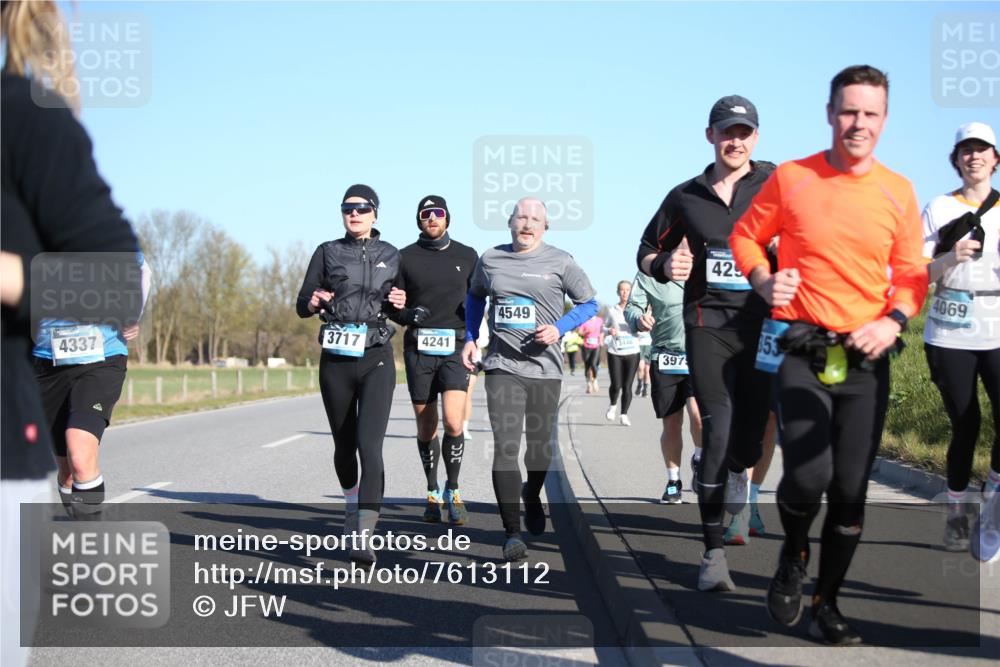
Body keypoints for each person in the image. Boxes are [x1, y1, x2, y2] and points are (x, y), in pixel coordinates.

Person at [730, 65, 928, 644]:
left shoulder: (898, 190)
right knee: (808, 473)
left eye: (869, 113)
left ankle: (828, 601)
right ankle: (794, 553)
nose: (858, 123)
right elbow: (745, 235)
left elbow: (913, 273)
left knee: (849, 492)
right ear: (829, 113)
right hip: (803, 345)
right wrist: (765, 282)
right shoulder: (793, 178)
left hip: (866, 354)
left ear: (884, 120)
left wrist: (893, 320)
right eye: (848, 111)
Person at [2, 2, 142, 664]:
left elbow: (117, 285)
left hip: (80, 360)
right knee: (66, 466)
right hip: (37, 361)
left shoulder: (24, 118)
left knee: (80, 457)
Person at [636, 94, 775, 592]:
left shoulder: (776, 186)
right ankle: (713, 553)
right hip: (706, 323)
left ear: (755, 138)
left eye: (744, 132)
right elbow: (647, 248)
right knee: (715, 430)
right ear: (710, 136)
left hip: (762, 327)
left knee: (750, 434)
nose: (734, 140)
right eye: (726, 131)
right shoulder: (686, 196)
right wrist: (664, 265)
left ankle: (732, 470)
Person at [462, 196, 597, 561]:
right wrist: (471, 338)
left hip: (545, 370)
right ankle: (511, 534)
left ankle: (532, 492)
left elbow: (589, 304)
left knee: (539, 450)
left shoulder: (561, 261)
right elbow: (474, 298)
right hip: (502, 368)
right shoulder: (490, 259)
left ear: (545, 226)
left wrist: (559, 328)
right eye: (521, 216)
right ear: (509, 222)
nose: (527, 223)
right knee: (506, 446)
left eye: (535, 218)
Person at [296, 184, 407, 567]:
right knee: (344, 445)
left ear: (375, 213)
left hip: (376, 356)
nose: (354, 214)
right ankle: (350, 503)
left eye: (361, 208)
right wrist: (312, 301)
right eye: (347, 209)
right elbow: (301, 304)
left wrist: (403, 305)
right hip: (337, 360)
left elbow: (403, 310)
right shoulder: (328, 252)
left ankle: (364, 533)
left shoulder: (391, 255)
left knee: (369, 446)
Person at [920, 121, 999, 562]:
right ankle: (956, 509)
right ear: (956, 159)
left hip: (997, 324)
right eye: (966, 150)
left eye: (982, 149)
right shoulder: (938, 207)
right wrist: (950, 256)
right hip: (950, 327)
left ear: (995, 158)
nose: (974, 157)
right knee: (966, 422)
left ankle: (994, 498)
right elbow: (915, 273)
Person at [32, 253, 151, 518]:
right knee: (66, 472)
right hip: (45, 364)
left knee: (80, 453)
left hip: (102, 358)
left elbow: (143, 269)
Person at [397, 195, 479, 524]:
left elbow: (479, 301)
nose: (432, 218)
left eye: (438, 213)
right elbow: (394, 307)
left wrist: (474, 337)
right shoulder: (402, 257)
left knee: (454, 422)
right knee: (427, 425)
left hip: (456, 347)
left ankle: (453, 490)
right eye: (425, 214)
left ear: (447, 218)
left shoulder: (467, 255)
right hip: (418, 348)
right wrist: (407, 315)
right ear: (419, 220)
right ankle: (431, 490)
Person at [625, 271, 702, 503]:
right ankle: (673, 481)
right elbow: (633, 307)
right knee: (671, 423)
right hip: (665, 356)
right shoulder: (650, 273)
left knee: (698, 415)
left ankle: (700, 460)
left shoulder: (706, 264)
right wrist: (638, 319)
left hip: (701, 355)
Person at [604, 281, 642, 426]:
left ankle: (624, 414)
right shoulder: (612, 310)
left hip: (633, 351)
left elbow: (644, 325)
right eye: (622, 290)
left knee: (627, 385)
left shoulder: (637, 310)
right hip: (615, 351)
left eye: (627, 290)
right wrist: (609, 331)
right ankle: (613, 405)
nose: (625, 292)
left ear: (631, 292)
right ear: (618, 292)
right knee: (616, 384)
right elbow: (604, 326)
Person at [578, 314, 603, 393]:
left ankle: (595, 380)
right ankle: (588, 383)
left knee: (594, 364)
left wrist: (601, 340)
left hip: (596, 346)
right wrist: (585, 332)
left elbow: (602, 331)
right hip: (586, 346)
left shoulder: (599, 320)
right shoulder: (584, 320)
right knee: (587, 365)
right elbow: (579, 332)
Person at [635, 323, 652, 397]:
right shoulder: (639, 317)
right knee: (640, 367)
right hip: (640, 345)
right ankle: (639, 384)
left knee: (647, 370)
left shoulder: (653, 317)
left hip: (649, 346)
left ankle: (645, 389)